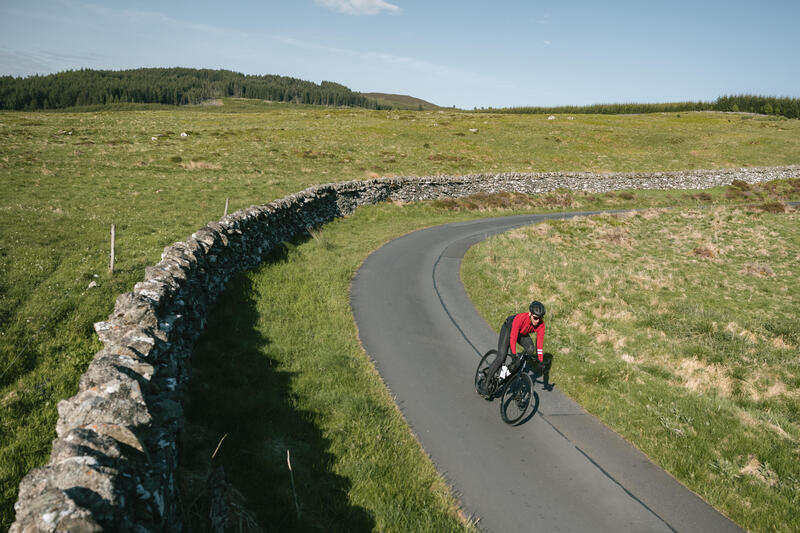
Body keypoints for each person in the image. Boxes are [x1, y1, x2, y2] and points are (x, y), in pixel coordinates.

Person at [478, 300, 551, 396]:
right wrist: (514, 355)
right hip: (509, 329)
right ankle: (485, 383)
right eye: (535, 318)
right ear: (530, 314)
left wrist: (540, 361)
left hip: (522, 333)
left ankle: (510, 369)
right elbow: (512, 338)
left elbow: (539, 344)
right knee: (502, 356)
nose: (537, 321)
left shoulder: (541, 325)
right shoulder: (520, 318)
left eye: (540, 318)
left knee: (530, 349)